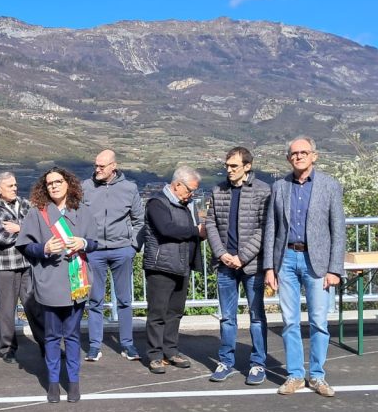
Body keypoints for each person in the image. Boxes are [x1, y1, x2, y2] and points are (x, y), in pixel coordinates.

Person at [265, 136, 347, 397]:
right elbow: (271, 229)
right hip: (286, 260)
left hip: (318, 262)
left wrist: (335, 269)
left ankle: (318, 376)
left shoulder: (329, 186)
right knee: (289, 321)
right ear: (288, 158)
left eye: (303, 152)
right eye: (294, 153)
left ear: (314, 156)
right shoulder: (279, 187)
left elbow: (338, 230)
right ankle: (295, 375)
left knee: (319, 321)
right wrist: (269, 267)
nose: (298, 156)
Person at [19, 167, 98, 403]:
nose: (53, 186)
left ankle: (73, 382)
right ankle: (53, 382)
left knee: (72, 336)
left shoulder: (83, 211)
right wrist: (43, 248)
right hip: (50, 282)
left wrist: (83, 243)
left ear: (68, 184)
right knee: (52, 336)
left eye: (58, 181)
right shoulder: (37, 213)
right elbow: (25, 246)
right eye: (49, 183)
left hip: (77, 282)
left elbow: (94, 242)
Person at [204, 147, 272, 385]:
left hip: (252, 266)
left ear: (247, 166)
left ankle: (258, 364)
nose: (229, 170)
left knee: (256, 316)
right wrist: (222, 254)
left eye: (234, 166)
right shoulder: (218, 190)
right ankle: (226, 361)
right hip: (225, 265)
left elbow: (265, 228)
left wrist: (242, 257)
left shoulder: (262, 191)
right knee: (227, 317)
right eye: (227, 165)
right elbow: (211, 223)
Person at [82, 149, 145, 362]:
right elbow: (78, 217)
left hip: (122, 250)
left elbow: (139, 221)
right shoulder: (85, 187)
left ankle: (127, 344)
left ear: (113, 166)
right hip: (94, 251)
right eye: (96, 165)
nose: (97, 169)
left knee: (124, 300)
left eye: (102, 166)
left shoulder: (129, 188)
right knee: (95, 300)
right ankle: (94, 345)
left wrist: (133, 247)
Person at [143, 166, 205, 374]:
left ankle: (170, 351)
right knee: (158, 312)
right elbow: (166, 229)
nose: (191, 194)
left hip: (181, 265)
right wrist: (196, 231)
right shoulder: (157, 203)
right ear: (177, 184)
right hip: (161, 266)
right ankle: (155, 354)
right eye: (189, 190)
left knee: (175, 312)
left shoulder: (186, 206)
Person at [0, 171, 44, 363]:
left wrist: (19, 228)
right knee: (6, 309)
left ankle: (47, 345)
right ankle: (7, 349)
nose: (15, 188)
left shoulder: (26, 204)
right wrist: (26, 230)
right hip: (5, 266)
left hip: (27, 263)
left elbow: (39, 229)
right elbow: (1, 237)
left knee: (35, 306)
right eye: (10, 186)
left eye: (15, 185)